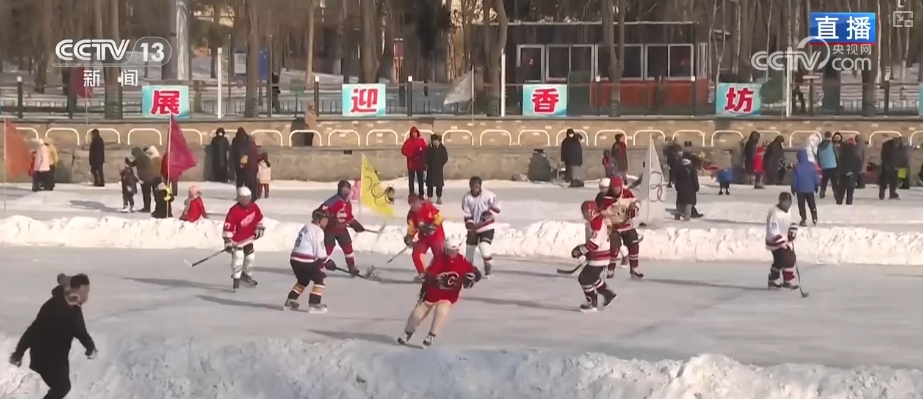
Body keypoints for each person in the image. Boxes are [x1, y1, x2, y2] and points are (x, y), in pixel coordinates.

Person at [9, 273, 97, 399]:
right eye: (85, 291)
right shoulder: (53, 306)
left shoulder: (74, 308)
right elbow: (33, 329)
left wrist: (89, 346)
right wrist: (19, 352)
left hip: (59, 357)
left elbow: (79, 330)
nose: (87, 296)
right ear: (76, 290)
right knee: (62, 386)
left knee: (61, 387)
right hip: (44, 355)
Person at [396, 235, 481, 347]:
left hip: (447, 296)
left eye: (454, 250)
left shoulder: (462, 260)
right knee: (416, 315)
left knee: (441, 312)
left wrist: (474, 276)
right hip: (432, 294)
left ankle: (432, 334)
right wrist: (429, 284)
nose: (452, 253)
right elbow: (430, 275)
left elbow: (475, 272)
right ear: (445, 249)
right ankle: (408, 332)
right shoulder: (438, 258)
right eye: (450, 250)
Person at [571, 200, 618, 312]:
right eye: (584, 213)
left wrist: (580, 250)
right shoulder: (596, 221)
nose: (585, 215)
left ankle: (592, 302)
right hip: (600, 258)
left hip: (599, 259)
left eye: (587, 212)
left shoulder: (597, 223)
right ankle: (608, 294)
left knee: (584, 279)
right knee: (593, 278)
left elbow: (594, 243)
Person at [285, 208, 335, 313]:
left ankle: (290, 300)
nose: (326, 222)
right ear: (318, 219)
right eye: (325, 219)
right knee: (320, 279)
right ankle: (314, 304)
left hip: (294, 259)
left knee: (303, 281)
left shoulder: (307, 227)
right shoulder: (318, 231)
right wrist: (328, 262)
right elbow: (320, 252)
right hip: (304, 260)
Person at [317, 180, 367, 277]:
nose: (345, 193)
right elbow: (320, 211)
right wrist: (327, 216)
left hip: (342, 229)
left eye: (346, 190)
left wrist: (355, 224)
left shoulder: (348, 203)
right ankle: (319, 265)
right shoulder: (333, 201)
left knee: (347, 246)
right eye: (343, 190)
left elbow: (348, 217)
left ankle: (351, 266)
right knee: (329, 247)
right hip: (330, 229)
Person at [598, 176, 644, 279]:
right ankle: (610, 269)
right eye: (614, 188)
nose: (616, 190)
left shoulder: (627, 194)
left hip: (627, 225)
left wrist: (634, 208)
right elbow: (603, 214)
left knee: (634, 244)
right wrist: (609, 224)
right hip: (613, 227)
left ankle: (634, 268)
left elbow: (636, 202)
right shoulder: (606, 198)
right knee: (614, 248)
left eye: (618, 187)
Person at [222, 186, 265, 290]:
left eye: (249, 197)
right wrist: (228, 241)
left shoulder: (254, 207)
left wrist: (259, 229)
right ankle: (236, 280)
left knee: (250, 257)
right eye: (244, 198)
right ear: (240, 198)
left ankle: (246, 275)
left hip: (248, 238)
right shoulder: (234, 210)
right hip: (236, 241)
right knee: (238, 257)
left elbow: (259, 218)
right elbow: (228, 226)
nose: (247, 200)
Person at [461, 176, 501, 278]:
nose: (475, 189)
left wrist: (485, 216)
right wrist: (470, 226)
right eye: (473, 186)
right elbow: (467, 214)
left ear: (480, 186)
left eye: (477, 186)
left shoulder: (488, 195)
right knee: (470, 249)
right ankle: (468, 268)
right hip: (474, 228)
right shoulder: (466, 198)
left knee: (484, 246)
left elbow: (497, 208)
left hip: (487, 226)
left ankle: (488, 265)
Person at [405, 194, 446, 282]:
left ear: (419, 202)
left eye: (414, 203)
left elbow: (439, 218)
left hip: (436, 235)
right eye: (411, 204)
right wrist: (409, 236)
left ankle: (438, 273)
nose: (413, 206)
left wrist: (432, 226)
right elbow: (412, 227)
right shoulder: (411, 215)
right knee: (416, 253)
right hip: (424, 237)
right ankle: (422, 274)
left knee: (439, 254)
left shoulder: (428, 207)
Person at [765, 192, 799, 290]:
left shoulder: (788, 211)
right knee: (788, 258)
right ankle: (787, 281)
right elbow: (772, 231)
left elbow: (792, 222)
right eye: (784, 202)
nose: (787, 204)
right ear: (780, 202)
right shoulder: (774, 213)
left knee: (779, 261)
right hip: (774, 241)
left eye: (788, 202)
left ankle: (772, 280)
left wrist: (792, 231)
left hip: (784, 240)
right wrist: (783, 242)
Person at [790, 149, 820, 226]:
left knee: (801, 205)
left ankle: (803, 219)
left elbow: (794, 179)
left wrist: (793, 187)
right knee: (812, 204)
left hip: (800, 190)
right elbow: (815, 177)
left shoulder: (796, 167)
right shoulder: (812, 166)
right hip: (810, 189)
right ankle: (814, 218)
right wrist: (816, 185)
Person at [402, 127, 427, 196]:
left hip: (420, 163)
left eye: (415, 133)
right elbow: (404, 150)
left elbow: (425, 150)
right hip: (411, 163)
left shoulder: (421, 141)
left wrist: (422, 156)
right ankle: (411, 192)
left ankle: (421, 192)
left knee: (420, 179)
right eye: (413, 133)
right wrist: (410, 155)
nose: (414, 134)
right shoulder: (408, 142)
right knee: (411, 179)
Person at [128, 147, 155, 212]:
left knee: (146, 194)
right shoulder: (139, 159)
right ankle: (146, 207)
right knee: (145, 194)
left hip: (147, 179)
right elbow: (133, 164)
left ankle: (147, 208)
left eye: (134, 154)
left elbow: (147, 169)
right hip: (144, 178)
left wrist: (141, 175)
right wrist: (128, 162)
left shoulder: (144, 159)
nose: (134, 156)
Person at [835, 138, 862, 205]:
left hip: (843, 177)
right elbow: (859, 167)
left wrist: (846, 172)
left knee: (841, 192)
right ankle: (849, 203)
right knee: (850, 193)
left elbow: (840, 166)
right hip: (852, 177)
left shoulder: (842, 156)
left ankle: (839, 202)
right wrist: (853, 172)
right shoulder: (857, 157)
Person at [424, 134, 448, 203]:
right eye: (434, 141)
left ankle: (439, 197)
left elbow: (445, 157)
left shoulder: (442, 148)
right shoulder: (429, 147)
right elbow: (425, 156)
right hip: (430, 168)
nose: (435, 142)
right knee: (429, 184)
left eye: (436, 140)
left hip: (439, 169)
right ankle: (429, 197)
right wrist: (426, 164)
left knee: (439, 184)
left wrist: (441, 164)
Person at [816, 131, 840, 198]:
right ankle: (836, 193)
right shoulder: (832, 145)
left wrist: (820, 164)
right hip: (832, 165)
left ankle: (822, 191)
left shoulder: (820, 145)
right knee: (834, 180)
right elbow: (837, 155)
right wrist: (839, 163)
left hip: (824, 165)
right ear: (831, 136)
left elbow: (818, 155)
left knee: (824, 179)